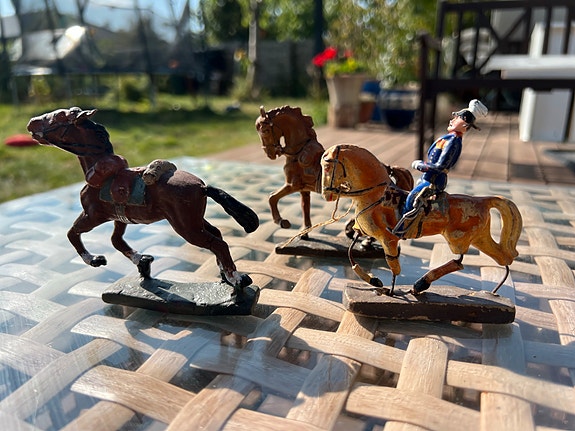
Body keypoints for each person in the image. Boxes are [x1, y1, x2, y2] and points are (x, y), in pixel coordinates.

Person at [391, 99, 488, 239]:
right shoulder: (448, 138)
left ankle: (401, 230)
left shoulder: (454, 142)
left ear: (465, 125)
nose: (452, 120)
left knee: (412, 199)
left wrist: (420, 165)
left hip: (434, 180)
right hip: (427, 178)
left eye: (457, 118)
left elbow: (440, 166)